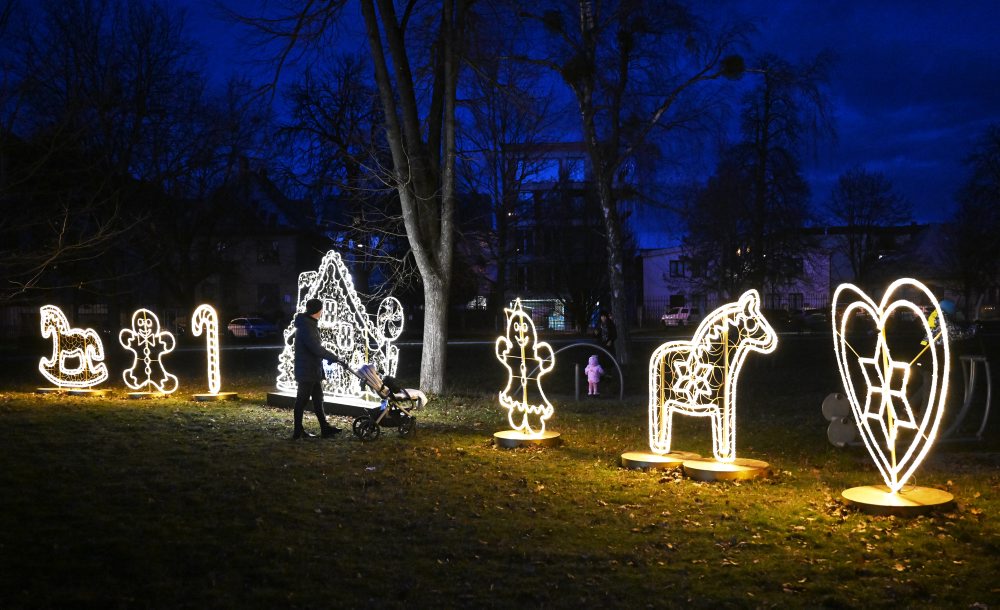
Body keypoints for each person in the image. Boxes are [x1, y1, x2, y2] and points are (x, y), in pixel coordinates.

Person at [291, 298, 342, 440]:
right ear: (317, 310)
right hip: (307, 370)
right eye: (321, 309)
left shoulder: (309, 324)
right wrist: (333, 357)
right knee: (302, 400)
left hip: (313, 369)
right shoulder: (306, 326)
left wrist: (329, 358)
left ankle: (325, 428)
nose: (322, 312)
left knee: (318, 400)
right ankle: (298, 431)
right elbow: (315, 348)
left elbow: (315, 348)